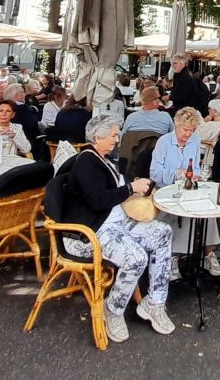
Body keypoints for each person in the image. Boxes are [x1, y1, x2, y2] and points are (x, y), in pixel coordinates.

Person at [65, 114, 175, 341]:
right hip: (92, 231)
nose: (118, 139)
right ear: (98, 137)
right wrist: (131, 188)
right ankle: (113, 309)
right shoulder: (87, 162)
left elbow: (115, 192)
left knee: (163, 232)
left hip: (117, 222)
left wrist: (134, 187)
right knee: (135, 258)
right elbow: (97, 200)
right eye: (114, 135)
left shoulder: (104, 158)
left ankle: (154, 302)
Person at [150, 107, 220, 278]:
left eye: (192, 130)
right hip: (165, 190)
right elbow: (154, 173)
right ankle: (173, 256)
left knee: (208, 209)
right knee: (184, 212)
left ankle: (208, 253)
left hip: (187, 188)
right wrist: (178, 173)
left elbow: (196, 167)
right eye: (185, 130)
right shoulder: (164, 142)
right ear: (176, 125)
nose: (188, 134)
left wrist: (197, 175)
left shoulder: (195, 140)